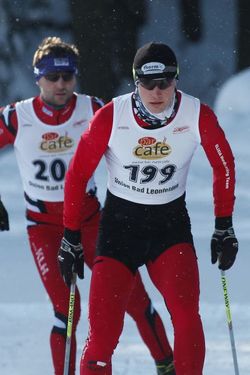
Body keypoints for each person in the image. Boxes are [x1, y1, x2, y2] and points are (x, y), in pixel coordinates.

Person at [58, 41, 239, 375]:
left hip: (168, 228)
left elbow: (224, 165)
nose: (157, 91)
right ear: (135, 81)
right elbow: (77, 174)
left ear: (176, 80)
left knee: (186, 318)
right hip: (118, 231)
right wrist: (70, 235)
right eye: (148, 83)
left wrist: (224, 225)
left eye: (165, 82)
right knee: (102, 336)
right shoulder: (112, 116)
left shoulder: (197, 114)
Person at [0, 37, 175, 375]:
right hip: (45, 228)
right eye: (53, 78)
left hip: (92, 221)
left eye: (68, 77)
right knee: (67, 309)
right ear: (38, 78)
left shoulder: (93, 109)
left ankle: (167, 364)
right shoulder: (17, 117)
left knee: (134, 298)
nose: (61, 85)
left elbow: (136, 140)